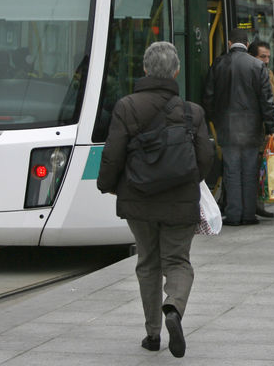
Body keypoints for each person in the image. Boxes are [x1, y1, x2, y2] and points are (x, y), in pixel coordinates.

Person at [97, 42, 214, 358]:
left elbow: (113, 154)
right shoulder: (193, 111)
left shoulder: (126, 106)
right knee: (177, 261)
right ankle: (173, 307)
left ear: (145, 69)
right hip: (180, 202)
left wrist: (107, 185)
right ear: (176, 71)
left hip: (138, 200)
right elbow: (206, 158)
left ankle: (152, 335)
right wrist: (188, 182)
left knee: (147, 261)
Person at [203, 29, 274, 226]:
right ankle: (249, 214)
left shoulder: (218, 64)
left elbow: (208, 97)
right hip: (252, 128)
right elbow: (267, 100)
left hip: (227, 127)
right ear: (247, 43)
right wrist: (271, 125)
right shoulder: (257, 65)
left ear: (229, 43)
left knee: (231, 171)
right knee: (250, 171)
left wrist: (213, 120)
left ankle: (234, 215)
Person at [248, 40, 274, 218]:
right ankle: (253, 204)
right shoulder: (250, 73)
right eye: (262, 56)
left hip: (266, 127)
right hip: (254, 127)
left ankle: (259, 203)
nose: (265, 60)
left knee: (262, 166)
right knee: (253, 166)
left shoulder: (269, 74)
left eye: (267, 57)